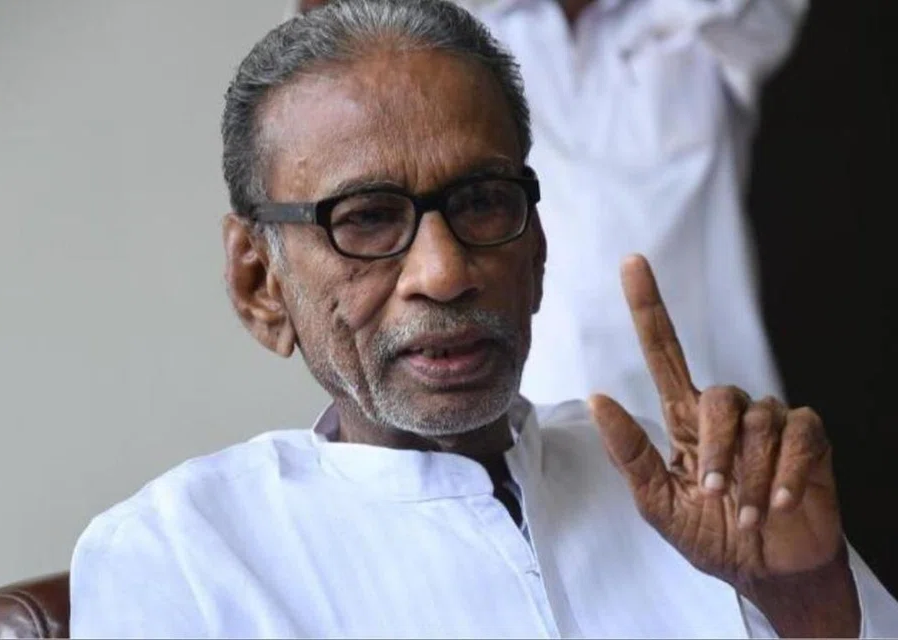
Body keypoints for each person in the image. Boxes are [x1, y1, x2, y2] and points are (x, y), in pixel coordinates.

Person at [69, 1, 898, 637]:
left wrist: (807, 598)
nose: (444, 272)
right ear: (260, 282)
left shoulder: (693, 503)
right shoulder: (183, 556)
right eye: (366, 219)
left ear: (537, 247)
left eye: (481, 201)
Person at [293, 0, 799, 426]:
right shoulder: (448, 33)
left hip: (716, 415)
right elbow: (329, 39)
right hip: (521, 433)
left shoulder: (703, 23)